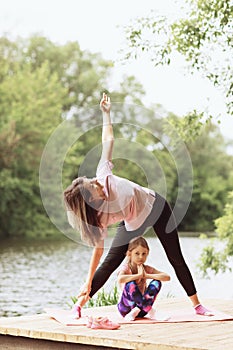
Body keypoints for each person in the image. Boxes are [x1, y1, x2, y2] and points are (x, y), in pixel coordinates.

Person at [64, 92, 214, 318]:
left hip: (157, 208)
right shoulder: (99, 218)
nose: (98, 184)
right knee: (109, 263)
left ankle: (198, 305)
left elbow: (108, 141)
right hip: (134, 221)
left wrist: (106, 114)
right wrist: (88, 281)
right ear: (91, 201)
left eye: (95, 182)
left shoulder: (103, 174)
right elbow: (97, 250)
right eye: (95, 188)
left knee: (175, 257)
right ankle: (78, 306)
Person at [117, 236, 170, 321]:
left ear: (147, 253)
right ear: (129, 254)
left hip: (142, 310)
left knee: (157, 282)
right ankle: (152, 312)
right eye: (137, 253)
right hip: (126, 309)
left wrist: (146, 276)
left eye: (144, 254)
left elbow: (167, 277)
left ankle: (137, 310)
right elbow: (120, 279)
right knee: (130, 284)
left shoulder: (146, 269)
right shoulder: (126, 268)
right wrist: (138, 276)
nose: (141, 257)